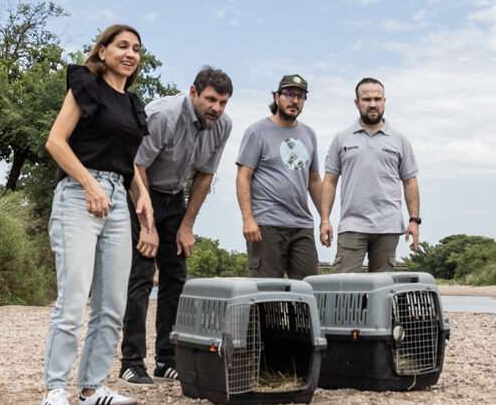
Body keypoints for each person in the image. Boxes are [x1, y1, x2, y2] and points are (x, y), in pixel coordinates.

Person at [40, 24, 157, 405]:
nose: (130, 54)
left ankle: (92, 387)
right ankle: (55, 388)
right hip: (78, 194)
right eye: (122, 46)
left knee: (112, 303)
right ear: (103, 50)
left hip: (118, 201)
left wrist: (144, 202)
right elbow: (55, 141)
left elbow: (128, 165)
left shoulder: (134, 105)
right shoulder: (85, 85)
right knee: (73, 299)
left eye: (137, 49)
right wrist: (89, 183)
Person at [118, 67, 233, 386]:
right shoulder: (163, 115)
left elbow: (205, 175)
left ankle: (166, 359)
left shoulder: (222, 125)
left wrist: (187, 225)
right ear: (194, 92)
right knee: (141, 275)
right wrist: (147, 225)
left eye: (223, 102)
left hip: (174, 196)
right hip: (140, 190)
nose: (217, 108)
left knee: (176, 277)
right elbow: (136, 166)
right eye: (211, 100)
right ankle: (132, 361)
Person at [319, 77, 421, 272]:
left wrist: (414, 220)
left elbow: (410, 181)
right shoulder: (342, 139)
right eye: (366, 99)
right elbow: (330, 181)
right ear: (357, 103)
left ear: (384, 101)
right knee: (344, 290)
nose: (372, 104)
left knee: (383, 291)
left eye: (377, 99)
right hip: (352, 224)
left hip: (388, 226)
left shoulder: (400, 140)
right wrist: (325, 220)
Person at [236, 74, 321, 279]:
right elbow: (243, 176)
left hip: (301, 225)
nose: (295, 100)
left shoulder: (309, 134)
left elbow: (314, 180)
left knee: (308, 289)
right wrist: (248, 219)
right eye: (289, 94)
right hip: (267, 223)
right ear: (277, 97)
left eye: (300, 96)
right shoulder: (257, 132)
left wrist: (325, 219)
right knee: (268, 295)